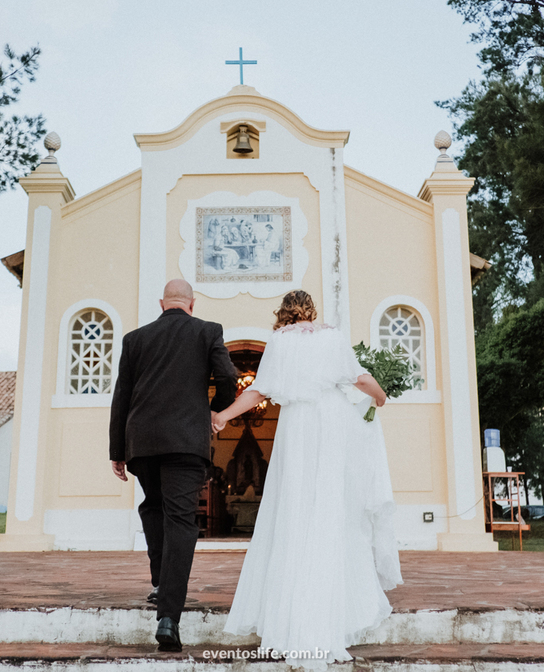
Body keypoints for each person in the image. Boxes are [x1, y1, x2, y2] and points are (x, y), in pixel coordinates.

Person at [213, 290, 401, 668]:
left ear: (283, 314)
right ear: (312, 311)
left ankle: (290, 613)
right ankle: (328, 611)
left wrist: (223, 415)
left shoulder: (279, 342)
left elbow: (258, 391)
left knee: (294, 509)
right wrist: (381, 396)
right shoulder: (332, 336)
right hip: (330, 423)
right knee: (329, 506)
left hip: (297, 427)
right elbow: (360, 379)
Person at [108, 278, 238, 652]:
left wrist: (117, 450)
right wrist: (216, 410)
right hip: (185, 441)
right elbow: (227, 376)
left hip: (143, 443)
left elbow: (122, 397)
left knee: (153, 506)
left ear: (161, 303)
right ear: (192, 305)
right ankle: (168, 617)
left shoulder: (135, 339)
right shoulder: (208, 331)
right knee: (180, 519)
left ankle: (160, 583)